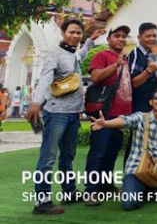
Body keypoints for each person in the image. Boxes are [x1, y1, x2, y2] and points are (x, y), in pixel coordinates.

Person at [89, 87, 157, 210]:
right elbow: (125, 120)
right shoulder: (141, 117)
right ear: (151, 102)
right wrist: (106, 124)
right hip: (137, 170)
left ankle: (151, 187)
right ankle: (141, 187)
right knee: (129, 204)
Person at [25, 19, 85, 214]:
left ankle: (69, 192)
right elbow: (46, 77)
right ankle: (41, 203)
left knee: (68, 156)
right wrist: (36, 101)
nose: (75, 36)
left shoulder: (73, 53)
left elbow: (79, 62)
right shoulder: (54, 53)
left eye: (79, 33)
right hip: (56, 113)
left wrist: (91, 42)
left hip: (73, 114)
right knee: (48, 158)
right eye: (72, 32)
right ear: (63, 32)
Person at [84, 25, 133, 205]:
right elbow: (96, 77)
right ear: (109, 39)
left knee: (112, 152)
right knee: (98, 153)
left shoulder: (125, 59)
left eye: (124, 36)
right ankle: (91, 191)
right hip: (103, 114)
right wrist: (116, 64)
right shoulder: (102, 56)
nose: (121, 39)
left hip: (120, 116)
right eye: (117, 36)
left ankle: (106, 187)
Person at [127, 22, 157, 114]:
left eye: (154, 36)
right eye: (148, 36)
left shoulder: (151, 55)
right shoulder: (135, 54)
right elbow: (134, 83)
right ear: (139, 37)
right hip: (139, 107)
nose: (152, 39)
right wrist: (149, 71)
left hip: (151, 105)